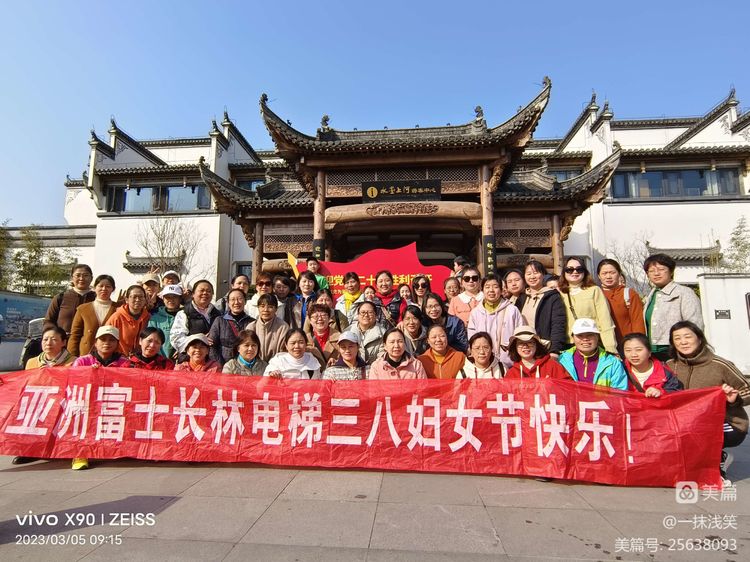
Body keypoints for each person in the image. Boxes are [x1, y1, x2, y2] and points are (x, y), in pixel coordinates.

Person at [666, 321, 749, 483]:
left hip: (727, 422)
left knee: (701, 433)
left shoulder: (720, 365)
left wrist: (734, 399)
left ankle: (716, 464)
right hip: (685, 422)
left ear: (699, 338)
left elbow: (747, 389)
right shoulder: (669, 366)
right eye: (677, 338)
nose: (683, 342)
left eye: (687, 337)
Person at [12, 326, 75, 465]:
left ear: (63, 342)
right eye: (45, 339)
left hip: (62, 401)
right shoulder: (32, 362)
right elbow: (25, 384)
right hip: (39, 401)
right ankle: (29, 450)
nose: (48, 343)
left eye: (54, 339)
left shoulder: (73, 362)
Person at [71, 325, 130, 471]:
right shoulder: (82, 362)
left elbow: (128, 384)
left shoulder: (125, 363)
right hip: (88, 402)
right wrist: (89, 375)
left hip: (114, 402)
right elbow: (74, 383)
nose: (107, 343)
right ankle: (80, 454)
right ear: (95, 342)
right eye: (103, 339)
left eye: (111, 340)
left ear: (117, 344)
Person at [643, 253, 703, 361]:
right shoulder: (652, 295)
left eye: (661, 269)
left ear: (671, 271)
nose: (656, 273)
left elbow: (695, 323)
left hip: (675, 350)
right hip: (652, 352)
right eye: (651, 271)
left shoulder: (684, 292)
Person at [558, 257, 618, 355]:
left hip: (591, 343)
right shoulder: (558, 292)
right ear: (564, 272)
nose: (575, 272)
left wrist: (610, 348)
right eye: (570, 269)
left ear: (585, 272)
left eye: (579, 269)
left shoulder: (594, 290)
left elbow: (605, 320)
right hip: (568, 344)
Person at [468, 274, 522, 369]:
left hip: (509, 363)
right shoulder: (475, 313)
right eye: (487, 287)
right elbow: (472, 339)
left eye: (495, 286)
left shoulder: (512, 310)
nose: (491, 290)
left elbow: (520, 335)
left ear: (501, 290)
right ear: (482, 290)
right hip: (484, 364)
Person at [514, 260, 567, 356]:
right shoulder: (521, 298)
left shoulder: (552, 297)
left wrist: (554, 350)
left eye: (536, 273)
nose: (532, 277)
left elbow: (558, 325)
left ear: (543, 274)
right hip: (523, 349)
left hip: (544, 348)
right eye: (528, 274)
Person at [558, 318, 628, 390]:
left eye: (590, 335)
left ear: (597, 337)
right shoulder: (561, 360)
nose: (585, 339)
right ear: (573, 337)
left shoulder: (613, 363)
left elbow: (620, 392)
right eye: (580, 335)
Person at [597, 259, 646, 350]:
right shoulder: (595, 294)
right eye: (604, 273)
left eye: (612, 273)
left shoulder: (629, 294)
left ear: (619, 274)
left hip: (626, 347)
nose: (608, 276)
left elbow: (638, 322)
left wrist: (638, 345)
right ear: (599, 276)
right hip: (601, 347)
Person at [67, 274, 117, 357]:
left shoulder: (118, 308)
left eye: (108, 286)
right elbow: (75, 335)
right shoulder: (83, 309)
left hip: (111, 355)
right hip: (86, 354)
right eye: (100, 286)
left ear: (113, 289)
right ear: (94, 288)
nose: (104, 289)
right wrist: (72, 356)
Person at [170, 279, 222, 356]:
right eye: (201, 290)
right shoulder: (184, 313)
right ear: (193, 294)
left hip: (214, 358)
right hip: (191, 358)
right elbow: (176, 338)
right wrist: (198, 338)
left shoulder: (218, 314)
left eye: (208, 291)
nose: (205, 293)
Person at [622, 332, 682, 397]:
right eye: (628, 350)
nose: (633, 355)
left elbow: (676, 393)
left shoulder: (664, 372)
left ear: (649, 352)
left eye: (638, 350)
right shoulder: (620, 370)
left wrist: (661, 392)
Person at [504, 326, 571, 380]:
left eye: (530, 342)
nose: (525, 346)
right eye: (520, 343)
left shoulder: (552, 366)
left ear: (537, 345)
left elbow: (568, 387)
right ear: (515, 347)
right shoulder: (511, 374)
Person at [44, 264, 95, 333]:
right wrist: (54, 334)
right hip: (64, 339)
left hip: (90, 339)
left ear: (91, 278)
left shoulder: (97, 298)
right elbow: (49, 321)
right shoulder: (61, 297)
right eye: (78, 275)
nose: (81, 278)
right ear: (72, 278)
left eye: (85, 275)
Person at [208, 288, 253, 365]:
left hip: (246, 365)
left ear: (245, 301)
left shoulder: (252, 322)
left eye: (240, 299)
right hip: (223, 365)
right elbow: (211, 345)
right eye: (232, 299)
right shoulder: (219, 321)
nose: (236, 302)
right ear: (228, 303)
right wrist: (220, 365)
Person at [105, 284, 151, 356]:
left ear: (145, 299)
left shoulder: (149, 318)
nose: (137, 300)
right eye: (134, 297)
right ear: (126, 300)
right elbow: (106, 339)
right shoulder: (117, 317)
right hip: (119, 358)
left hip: (141, 359)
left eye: (141, 297)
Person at [248, 293, 290, 362]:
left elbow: (284, 353)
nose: (265, 310)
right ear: (258, 308)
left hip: (276, 365)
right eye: (262, 306)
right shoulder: (251, 327)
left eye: (270, 307)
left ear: (276, 309)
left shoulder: (283, 327)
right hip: (255, 365)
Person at [147, 284, 183, 359]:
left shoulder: (186, 315)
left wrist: (182, 352)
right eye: (168, 297)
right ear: (163, 299)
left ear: (180, 299)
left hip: (182, 361)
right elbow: (150, 340)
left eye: (174, 297)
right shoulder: (155, 318)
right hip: (160, 361)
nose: (171, 300)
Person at [349, 300, 386, 365]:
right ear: (358, 315)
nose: (366, 315)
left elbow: (383, 357)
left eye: (370, 312)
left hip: (375, 369)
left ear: (375, 315)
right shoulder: (348, 331)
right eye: (363, 312)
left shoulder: (383, 333)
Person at [305, 303, 341, 368]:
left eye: (323, 315)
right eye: (315, 316)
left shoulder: (340, 338)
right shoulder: (305, 340)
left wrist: (338, 362)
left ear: (329, 318)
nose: (320, 319)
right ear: (310, 320)